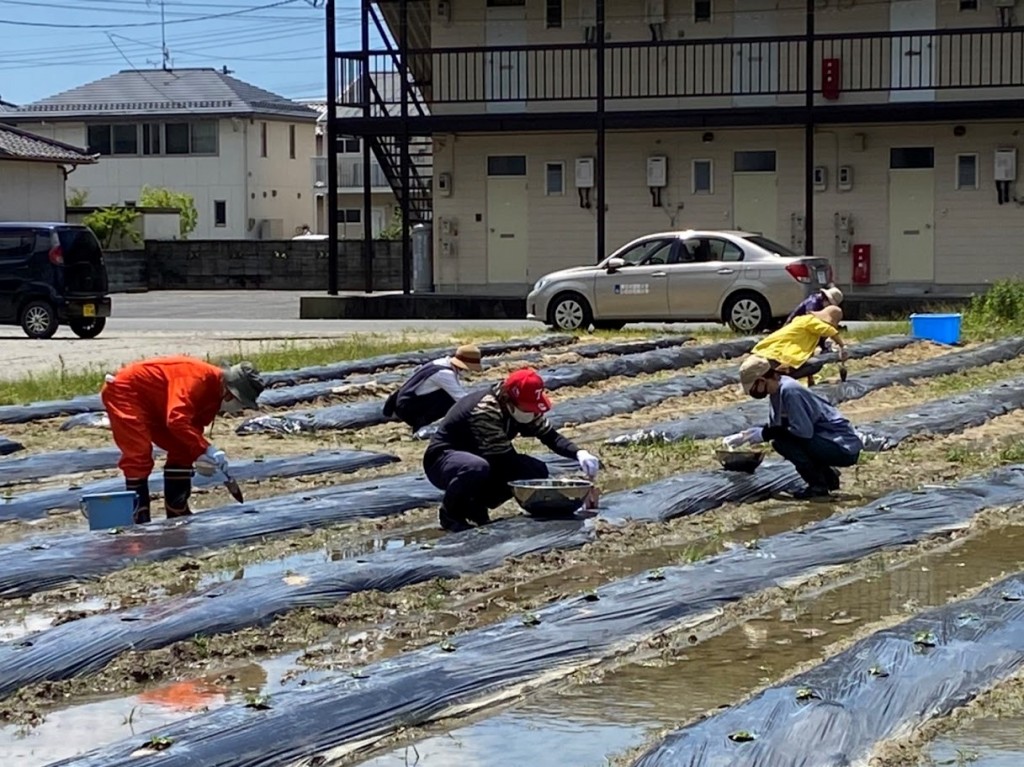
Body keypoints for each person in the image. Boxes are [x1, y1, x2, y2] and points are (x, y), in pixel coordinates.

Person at [423, 367, 601, 532]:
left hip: (483, 458)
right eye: (528, 408)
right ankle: (450, 514)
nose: (532, 414)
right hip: (444, 461)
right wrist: (559, 488)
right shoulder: (486, 410)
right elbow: (503, 459)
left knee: (535, 470)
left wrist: (579, 453)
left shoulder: (522, 409)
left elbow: (550, 436)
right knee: (478, 468)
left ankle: (476, 505)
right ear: (510, 400)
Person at [100, 356, 266, 523]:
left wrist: (199, 454)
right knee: (139, 454)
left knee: (184, 449)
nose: (240, 409)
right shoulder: (197, 379)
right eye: (241, 404)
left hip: (155, 403)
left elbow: (192, 428)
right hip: (125, 391)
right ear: (230, 394)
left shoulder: (214, 395)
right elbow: (177, 419)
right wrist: (205, 449)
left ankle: (176, 510)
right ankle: (138, 518)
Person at [724, 355, 862, 499]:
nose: (751, 393)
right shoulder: (776, 392)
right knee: (782, 440)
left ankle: (818, 487)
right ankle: (828, 478)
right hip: (825, 440)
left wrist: (764, 434)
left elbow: (803, 432)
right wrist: (747, 435)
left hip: (842, 446)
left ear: (761, 381)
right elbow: (776, 426)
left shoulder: (790, 391)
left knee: (783, 443)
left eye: (752, 388)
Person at [382, 344, 483, 431]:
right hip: (408, 408)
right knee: (450, 401)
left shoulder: (441, 362)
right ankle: (421, 424)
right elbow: (461, 399)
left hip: (405, 401)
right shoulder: (445, 374)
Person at [751, 305, 848, 384]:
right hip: (777, 356)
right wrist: (842, 346)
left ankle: (775, 375)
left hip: (768, 352)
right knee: (816, 364)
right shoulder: (811, 321)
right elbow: (828, 330)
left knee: (810, 363)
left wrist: (810, 380)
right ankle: (779, 377)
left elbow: (807, 356)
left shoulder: (806, 324)